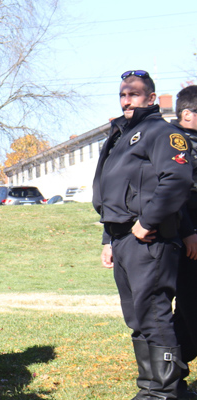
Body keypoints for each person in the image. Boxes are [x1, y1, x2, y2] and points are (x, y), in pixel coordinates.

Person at [93, 71, 193, 400]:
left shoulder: (161, 132)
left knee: (153, 313)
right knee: (136, 317)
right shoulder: (121, 135)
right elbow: (113, 192)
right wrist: (109, 239)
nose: (126, 100)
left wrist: (148, 221)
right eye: (123, 94)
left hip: (150, 239)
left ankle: (166, 391)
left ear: (151, 99)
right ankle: (149, 388)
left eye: (134, 94)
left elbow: (177, 179)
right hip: (122, 239)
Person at [173, 85, 197, 398]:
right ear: (187, 114)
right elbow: (177, 192)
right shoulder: (173, 143)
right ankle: (173, 376)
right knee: (190, 304)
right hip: (185, 237)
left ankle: (174, 374)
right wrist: (189, 231)